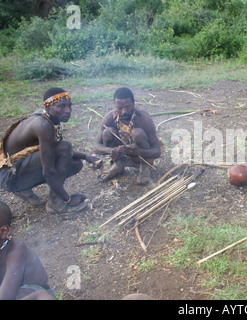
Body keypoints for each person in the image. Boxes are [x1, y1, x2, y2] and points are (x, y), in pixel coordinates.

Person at [0, 87, 101, 215]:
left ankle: (23, 189)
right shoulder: (42, 125)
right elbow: (48, 171)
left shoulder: (47, 117)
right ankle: (55, 203)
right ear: (48, 107)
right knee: (65, 148)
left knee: (75, 163)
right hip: (9, 177)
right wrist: (67, 199)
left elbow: (55, 148)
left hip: (12, 169)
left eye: (69, 106)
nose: (68, 111)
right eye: (61, 106)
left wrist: (86, 156)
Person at [94, 87, 162, 186]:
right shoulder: (110, 118)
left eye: (128, 107)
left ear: (134, 102)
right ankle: (118, 165)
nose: (124, 111)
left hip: (140, 156)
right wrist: (112, 150)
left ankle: (144, 167)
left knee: (137, 133)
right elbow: (96, 146)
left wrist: (140, 151)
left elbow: (157, 151)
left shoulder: (143, 118)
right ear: (115, 105)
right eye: (119, 108)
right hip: (121, 154)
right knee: (107, 132)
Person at [0, 201, 56, 300]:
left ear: (3, 231)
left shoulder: (16, 250)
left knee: (44, 297)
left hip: (31, 291)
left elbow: (5, 296)